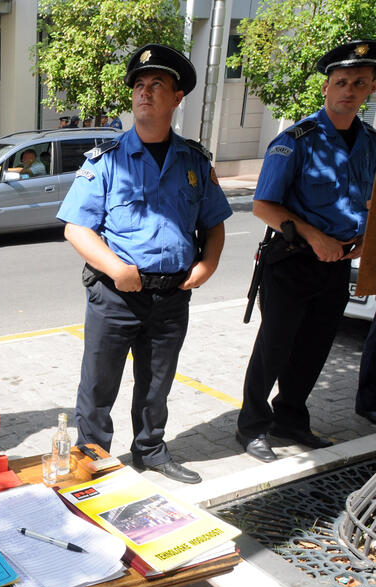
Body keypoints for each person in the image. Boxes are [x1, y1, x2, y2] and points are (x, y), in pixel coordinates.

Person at [57, 44, 231, 484]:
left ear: (177, 98)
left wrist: (207, 266)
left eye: (157, 85)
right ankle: (92, 456)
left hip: (172, 294)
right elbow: (76, 228)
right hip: (116, 295)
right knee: (98, 385)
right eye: (139, 84)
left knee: (157, 384)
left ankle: (150, 450)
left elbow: (214, 223)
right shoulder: (106, 160)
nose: (145, 92)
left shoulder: (194, 162)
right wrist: (116, 268)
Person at [237, 40, 376, 461]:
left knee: (316, 348)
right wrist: (315, 237)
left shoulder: (372, 142)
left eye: (359, 83)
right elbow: (264, 205)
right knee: (275, 347)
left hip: (338, 265)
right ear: (326, 88)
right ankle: (252, 427)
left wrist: (364, 245)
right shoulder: (297, 139)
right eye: (340, 82)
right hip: (293, 260)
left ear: (370, 89)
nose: (348, 90)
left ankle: (291, 418)